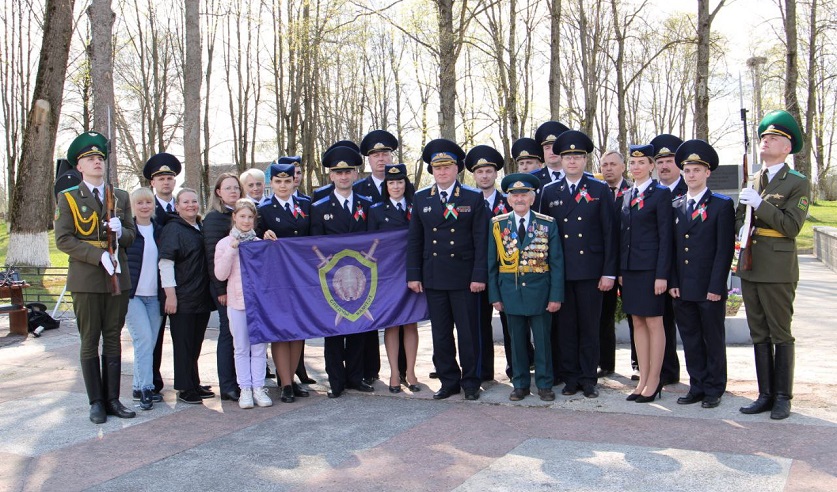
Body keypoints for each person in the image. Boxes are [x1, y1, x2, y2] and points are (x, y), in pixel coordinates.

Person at [55, 131, 135, 424]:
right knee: (90, 338)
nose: (97, 161)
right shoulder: (68, 198)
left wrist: (121, 232)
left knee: (113, 336)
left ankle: (113, 399)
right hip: (87, 278)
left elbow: (131, 235)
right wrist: (96, 255)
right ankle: (96, 402)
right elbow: (63, 239)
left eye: (100, 157)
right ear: (79, 166)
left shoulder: (120, 196)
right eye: (90, 158)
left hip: (117, 277)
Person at [736, 110, 809, 420]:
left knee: (780, 332)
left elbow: (791, 227)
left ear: (787, 147)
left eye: (774, 138)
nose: (766, 141)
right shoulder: (754, 179)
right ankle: (764, 394)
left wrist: (760, 204)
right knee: (758, 333)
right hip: (751, 265)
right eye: (764, 137)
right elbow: (741, 218)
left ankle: (782, 397)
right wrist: (740, 227)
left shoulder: (796, 182)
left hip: (777, 268)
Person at [406, 138, 488, 401]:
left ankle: (471, 382)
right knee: (441, 334)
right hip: (434, 276)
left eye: (447, 167)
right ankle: (448, 381)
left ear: (457, 169)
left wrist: (479, 275)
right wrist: (414, 274)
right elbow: (415, 239)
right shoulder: (421, 198)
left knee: (468, 334)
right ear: (432, 170)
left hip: (465, 278)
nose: (442, 172)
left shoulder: (472, 197)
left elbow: (481, 240)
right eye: (437, 167)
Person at [540, 130, 617, 398]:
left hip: (591, 272)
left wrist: (609, 272)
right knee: (565, 328)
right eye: (567, 156)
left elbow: (610, 233)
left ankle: (588, 378)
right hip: (561, 272)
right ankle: (570, 377)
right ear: (560, 160)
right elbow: (543, 235)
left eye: (577, 156)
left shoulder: (599, 189)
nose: (572, 161)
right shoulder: (550, 191)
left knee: (589, 327)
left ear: (585, 160)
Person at [668, 140, 735, 409]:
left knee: (712, 339)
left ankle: (714, 388)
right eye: (687, 170)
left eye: (697, 170)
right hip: (683, 287)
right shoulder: (676, 205)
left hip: (708, 287)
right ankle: (696, 385)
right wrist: (673, 281)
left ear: (707, 173)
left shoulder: (721, 205)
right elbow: (672, 249)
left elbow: (724, 250)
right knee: (691, 339)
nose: (691, 175)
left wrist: (717, 286)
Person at [488, 173, 564, 402]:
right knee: (516, 343)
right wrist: (495, 296)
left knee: (542, 342)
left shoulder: (547, 223)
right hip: (510, 293)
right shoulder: (498, 224)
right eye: (515, 195)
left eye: (524, 195)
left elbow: (556, 263)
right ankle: (520, 384)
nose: (519, 199)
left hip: (540, 293)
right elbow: (491, 263)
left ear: (532, 198)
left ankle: (544, 384)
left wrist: (555, 296)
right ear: (508, 199)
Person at [310, 145, 374, 398]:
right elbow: (315, 244)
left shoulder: (367, 205)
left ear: (356, 174)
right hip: (332, 279)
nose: (344, 176)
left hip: (359, 277)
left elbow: (373, 239)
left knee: (358, 326)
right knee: (333, 331)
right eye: (339, 172)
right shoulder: (319, 207)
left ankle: (356, 377)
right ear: (331, 176)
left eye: (348, 172)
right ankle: (335, 380)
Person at [619, 144, 673, 403]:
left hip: (651, 270)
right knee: (637, 322)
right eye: (633, 163)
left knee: (654, 322)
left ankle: (655, 379)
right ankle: (642, 379)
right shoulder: (627, 194)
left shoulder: (660, 194)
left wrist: (662, 274)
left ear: (652, 166)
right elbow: (623, 236)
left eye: (642, 162)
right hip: (631, 270)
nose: (636, 167)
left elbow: (665, 237)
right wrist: (621, 270)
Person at [257, 162, 311, 401]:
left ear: (293, 182)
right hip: (277, 279)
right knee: (281, 329)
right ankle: (286, 383)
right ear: (271, 183)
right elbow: (253, 240)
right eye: (278, 181)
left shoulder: (306, 205)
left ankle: (293, 377)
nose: (283, 186)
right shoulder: (264, 209)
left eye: (287, 181)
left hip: (302, 277)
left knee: (298, 328)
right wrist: (262, 235)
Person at [215, 199, 274, 408]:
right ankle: (245, 389)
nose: (246, 221)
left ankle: (258, 387)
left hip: (257, 304)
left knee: (259, 348)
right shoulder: (224, 243)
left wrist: (270, 245)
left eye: (250, 217)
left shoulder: (258, 242)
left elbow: (269, 271)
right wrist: (232, 250)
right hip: (237, 302)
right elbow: (220, 274)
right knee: (241, 347)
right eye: (242, 216)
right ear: (234, 217)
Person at [158, 188, 216, 404]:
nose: (191, 205)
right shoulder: (173, 229)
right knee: (183, 345)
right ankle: (184, 388)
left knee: (195, 343)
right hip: (182, 297)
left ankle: (194, 382)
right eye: (185, 202)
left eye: (194, 201)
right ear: (177, 206)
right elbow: (166, 263)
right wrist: (170, 296)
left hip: (200, 296)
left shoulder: (200, 227)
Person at [368, 164, 421, 393]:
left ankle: (411, 372)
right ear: (386, 185)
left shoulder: (417, 206)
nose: (396, 186)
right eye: (391, 182)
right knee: (392, 324)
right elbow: (370, 245)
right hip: (388, 275)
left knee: (411, 322)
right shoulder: (376, 210)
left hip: (412, 271)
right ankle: (394, 373)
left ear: (405, 184)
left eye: (400, 182)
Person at [465, 145, 508, 382]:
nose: (484, 176)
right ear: (474, 175)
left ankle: (516, 370)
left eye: (488, 171)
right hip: (477, 273)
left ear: (496, 173)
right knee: (479, 324)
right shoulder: (465, 203)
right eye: (479, 172)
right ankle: (483, 371)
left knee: (511, 324)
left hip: (506, 272)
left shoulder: (508, 201)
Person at [650, 133, 685, 386]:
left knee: (689, 325)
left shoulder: (690, 188)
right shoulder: (651, 192)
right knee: (660, 320)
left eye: (669, 161)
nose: (664, 166)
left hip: (684, 268)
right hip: (657, 268)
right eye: (660, 161)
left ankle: (704, 379)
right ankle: (664, 370)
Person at [203, 173, 241, 402]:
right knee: (228, 332)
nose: (233, 191)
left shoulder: (243, 214)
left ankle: (242, 380)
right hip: (224, 287)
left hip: (243, 286)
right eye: (228, 188)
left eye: (236, 187)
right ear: (218, 192)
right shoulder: (214, 219)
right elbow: (212, 257)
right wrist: (220, 290)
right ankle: (227, 385)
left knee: (241, 334)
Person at [145, 153, 181, 395]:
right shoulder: (147, 207)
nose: (166, 182)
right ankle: (152, 382)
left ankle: (186, 381)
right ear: (153, 183)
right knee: (153, 337)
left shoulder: (182, 206)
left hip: (180, 281)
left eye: (169, 178)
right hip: (152, 281)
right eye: (161, 179)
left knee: (182, 336)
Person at [124, 187, 163, 410]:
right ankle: (147, 388)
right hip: (133, 296)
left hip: (154, 296)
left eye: (148, 202)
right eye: (139, 203)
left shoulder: (159, 230)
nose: (144, 206)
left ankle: (138, 387)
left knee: (150, 343)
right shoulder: (128, 232)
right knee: (144, 339)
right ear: (133, 206)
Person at [597, 150, 632, 379]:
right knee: (604, 316)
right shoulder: (596, 192)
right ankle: (606, 363)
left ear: (623, 167)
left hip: (630, 264)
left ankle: (638, 364)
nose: (608, 168)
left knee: (636, 316)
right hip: (606, 265)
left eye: (613, 164)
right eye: (604, 165)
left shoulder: (633, 191)